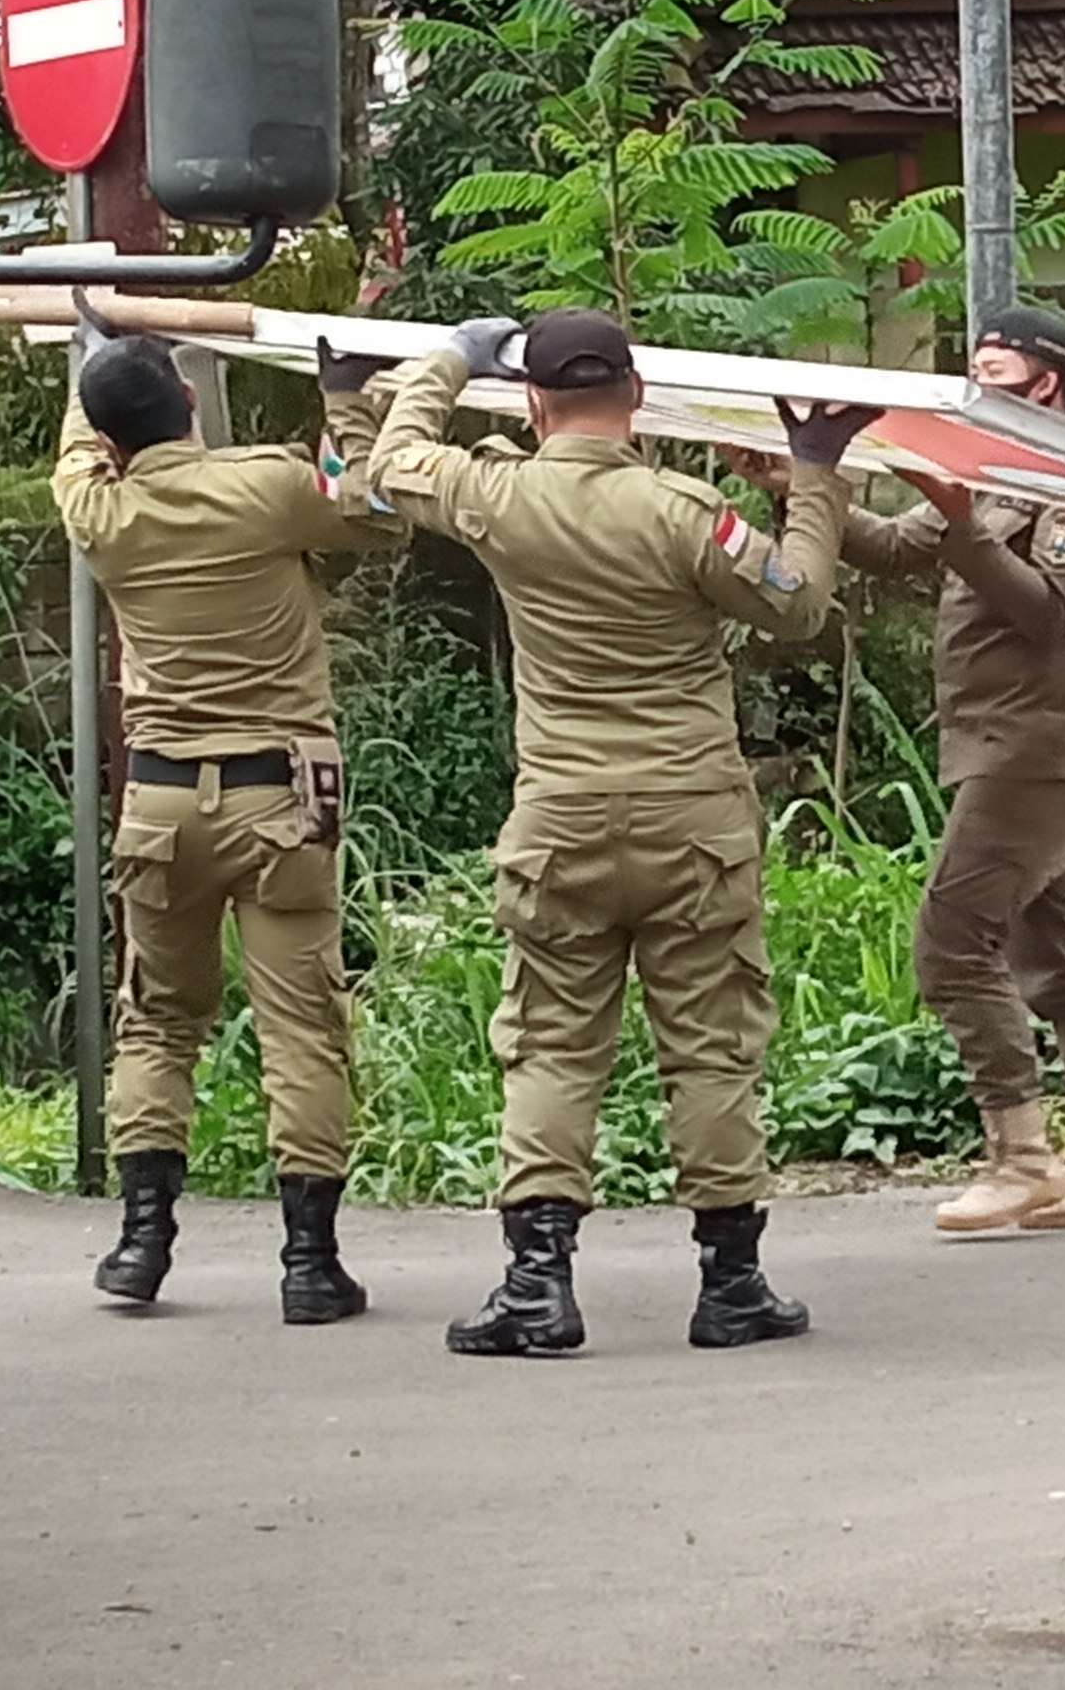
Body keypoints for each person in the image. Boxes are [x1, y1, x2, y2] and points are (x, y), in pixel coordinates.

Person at [356, 307, 870, 1356]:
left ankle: (537, 1285)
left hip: (563, 821)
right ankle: (732, 1284)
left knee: (550, 1047)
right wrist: (813, 472)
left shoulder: (497, 496)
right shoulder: (684, 513)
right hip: (693, 821)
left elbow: (393, 459)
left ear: (535, 403)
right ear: (635, 397)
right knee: (712, 1052)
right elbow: (799, 604)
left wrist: (450, 358)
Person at [53, 332, 406, 1323]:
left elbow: (79, 444)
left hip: (160, 804)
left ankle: (141, 1242)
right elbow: (374, 515)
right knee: (303, 1025)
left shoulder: (99, 511)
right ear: (188, 402)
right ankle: (308, 1262)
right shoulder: (265, 487)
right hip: (282, 800)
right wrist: (344, 403)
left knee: (157, 1019)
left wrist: (93, 351)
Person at [835, 308, 1065, 1234]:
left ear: (1048, 384)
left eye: (998, 374)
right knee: (1059, 958)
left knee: (951, 943)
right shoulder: (990, 470)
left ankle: (1021, 1156)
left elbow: (1045, 612)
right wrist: (803, 489)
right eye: (973, 371)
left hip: (1035, 751)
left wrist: (958, 521)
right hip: (1000, 745)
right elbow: (903, 548)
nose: (980, 389)